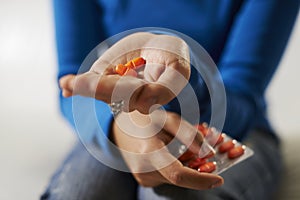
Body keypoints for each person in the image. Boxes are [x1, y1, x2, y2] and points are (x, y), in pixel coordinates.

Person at [41, 0, 299, 199]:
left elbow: (241, 96)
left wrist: (184, 80)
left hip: (237, 128)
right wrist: (121, 128)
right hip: (114, 120)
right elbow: (74, 86)